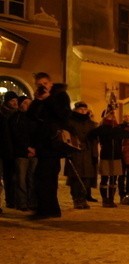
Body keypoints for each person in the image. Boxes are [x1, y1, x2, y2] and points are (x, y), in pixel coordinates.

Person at [27, 72, 72, 219]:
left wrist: (48, 99)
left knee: (45, 177)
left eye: (44, 84)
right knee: (45, 178)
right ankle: (50, 209)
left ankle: (46, 210)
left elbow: (63, 116)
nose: (42, 87)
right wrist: (37, 100)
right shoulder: (40, 99)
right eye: (39, 84)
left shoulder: (60, 96)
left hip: (53, 143)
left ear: (51, 83)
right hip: (42, 143)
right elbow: (31, 117)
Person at [92, 110, 129, 208]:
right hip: (106, 155)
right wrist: (106, 128)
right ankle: (105, 200)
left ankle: (111, 199)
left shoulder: (117, 128)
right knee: (105, 178)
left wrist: (116, 129)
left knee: (114, 179)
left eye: (112, 115)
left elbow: (128, 134)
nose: (111, 117)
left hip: (117, 156)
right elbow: (92, 134)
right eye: (109, 116)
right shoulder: (102, 128)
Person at [64, 101, 98, 209]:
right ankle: (76, 199)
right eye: (80, 109)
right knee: (76, 177)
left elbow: (94, 139)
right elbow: (67, 136)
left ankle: (83, 198)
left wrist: (94, 153)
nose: (83, 111)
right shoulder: (70, 122)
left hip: (88, 153)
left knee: (86, 178)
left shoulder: (90, 123)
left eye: (85, 109)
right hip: (75, 152)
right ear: (76, 110)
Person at [10, 96, 37, 212]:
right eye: (25, 103)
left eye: (30, 103)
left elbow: (39, 134)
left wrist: (35, 148)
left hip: (35, 153)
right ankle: (22, 203)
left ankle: (32, 202)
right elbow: (15, 135)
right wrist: (27, 148)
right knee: (21, 179)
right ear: (21, 104)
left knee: (33, 179)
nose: (28, 105)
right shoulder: (15, 118)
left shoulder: (35, 118)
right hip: (21, 153)